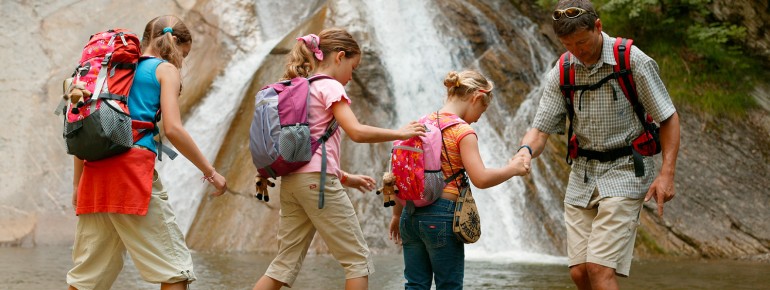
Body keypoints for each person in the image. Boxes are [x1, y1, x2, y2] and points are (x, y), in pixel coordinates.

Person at [515, 1, 681, 289]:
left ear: (598, 27)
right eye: (569, 44)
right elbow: (540, 130)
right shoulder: (563, 69)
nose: (578, 51)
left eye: (582, 41)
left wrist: (666, 173)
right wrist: (524, 152)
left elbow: (668, 117)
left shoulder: (632, 60)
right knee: (580, 272)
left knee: (599, 268)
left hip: (627, 169)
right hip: (583, 174)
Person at [251, 28, 426, 290]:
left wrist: (346, 177)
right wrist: (400, 132)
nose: (351, 76)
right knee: (357, 260)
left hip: (292, 183)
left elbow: (307, 151)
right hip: (317, 184)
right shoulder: (330, 86)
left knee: (283, 263)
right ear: (340, 57)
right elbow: (355, 131)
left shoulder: (304, 86)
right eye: (352, 68)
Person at [67, 15, 228, 290]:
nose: (182, 61)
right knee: (175, 270)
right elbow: (174, 130)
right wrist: (210, 172)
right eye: (184, 54)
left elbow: (84, 124)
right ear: (174, 43)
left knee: (87, 278)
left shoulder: (114, 71)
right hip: (131, 175)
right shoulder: (165, 70)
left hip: (93, 176)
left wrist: (77, 184)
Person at [388, 70, 531, 290]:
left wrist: (397, 214)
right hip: (442, 215)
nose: (478, 118)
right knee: (449, 286)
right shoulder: (462, 131)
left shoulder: (419, 123)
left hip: (409, 214)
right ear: (476, 98)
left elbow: (399, 173)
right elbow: (480, 179)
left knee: (415, 285)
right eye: (482, 110)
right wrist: (512, 169)